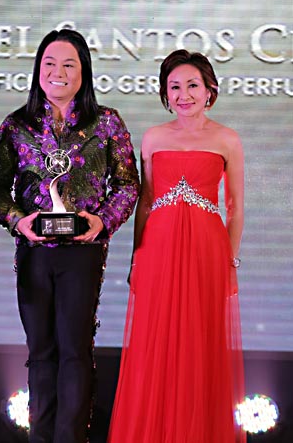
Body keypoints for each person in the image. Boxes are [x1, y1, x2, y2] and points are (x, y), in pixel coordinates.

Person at [0, 29, 140, 443]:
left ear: (83, 72)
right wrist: (18, 221)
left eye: (68, 64)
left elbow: (128, 184)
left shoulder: (106, 122)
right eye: (49, 64)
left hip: (83, 252)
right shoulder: (17, 125)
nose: (58, 72)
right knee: (40, 352)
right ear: (38, 69)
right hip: (34, 252)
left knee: (75, 350)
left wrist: (102, 222)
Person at [108, 49, 246, 442]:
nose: (184, 95)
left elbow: (235, 207)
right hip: (159, 250)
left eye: (192, 85)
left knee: (201, 347)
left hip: (207, 252)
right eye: (174, 87)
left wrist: (229, 261)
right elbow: (146, 201)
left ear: (209, 90)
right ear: (165, 94)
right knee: (155, 346)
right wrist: (136, 257)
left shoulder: (227, 139)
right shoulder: (154, 137)